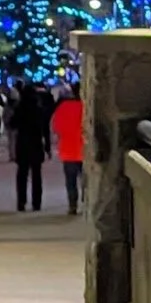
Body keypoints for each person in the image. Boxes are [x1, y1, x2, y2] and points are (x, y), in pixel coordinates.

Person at [11, 82, 54, 212]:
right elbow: (45, 130)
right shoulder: (39, 109)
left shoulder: (19, 108)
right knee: (37, 175)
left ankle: (21, 202)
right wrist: (48, 147)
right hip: (36, 144)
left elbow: (12, 124)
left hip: (22, 144)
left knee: (22, 175)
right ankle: (36, 203)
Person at [51, 84, 85, 215]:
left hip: (68, 149)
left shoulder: (63, 107)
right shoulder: (86, 107)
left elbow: (56, 128)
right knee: (87, 180)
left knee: (70, 180)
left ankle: (72, 205)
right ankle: (87, 203)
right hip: (85, 149)